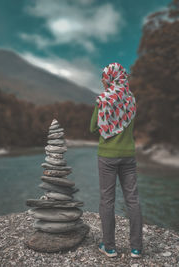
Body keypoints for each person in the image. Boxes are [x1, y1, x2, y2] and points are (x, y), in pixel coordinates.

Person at [90, 62, 143, 258]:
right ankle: (136, 248)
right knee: (133, 199)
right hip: (128, 154)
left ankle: (109, 247)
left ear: (110, 78)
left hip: (107, 156)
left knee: (107, 200)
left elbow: (92, 127)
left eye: (104, 78)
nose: (103, 81)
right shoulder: (131, 99)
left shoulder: (103, 100)